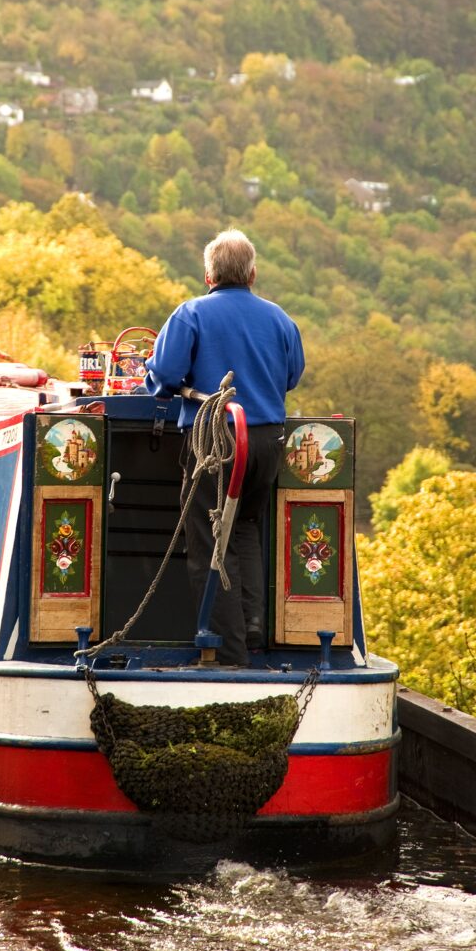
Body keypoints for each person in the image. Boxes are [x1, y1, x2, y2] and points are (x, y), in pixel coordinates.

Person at [145, 229, 305, 665]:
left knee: (208, 541)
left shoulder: (190, 315)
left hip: (217, 441)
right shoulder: (281, 320)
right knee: (246, 528)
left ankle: (232, 657)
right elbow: (291, 377)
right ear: (253, 273)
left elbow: (164, 379)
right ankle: (253, 629)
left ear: (207, 275)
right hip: (268, 443)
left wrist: (152, 370)